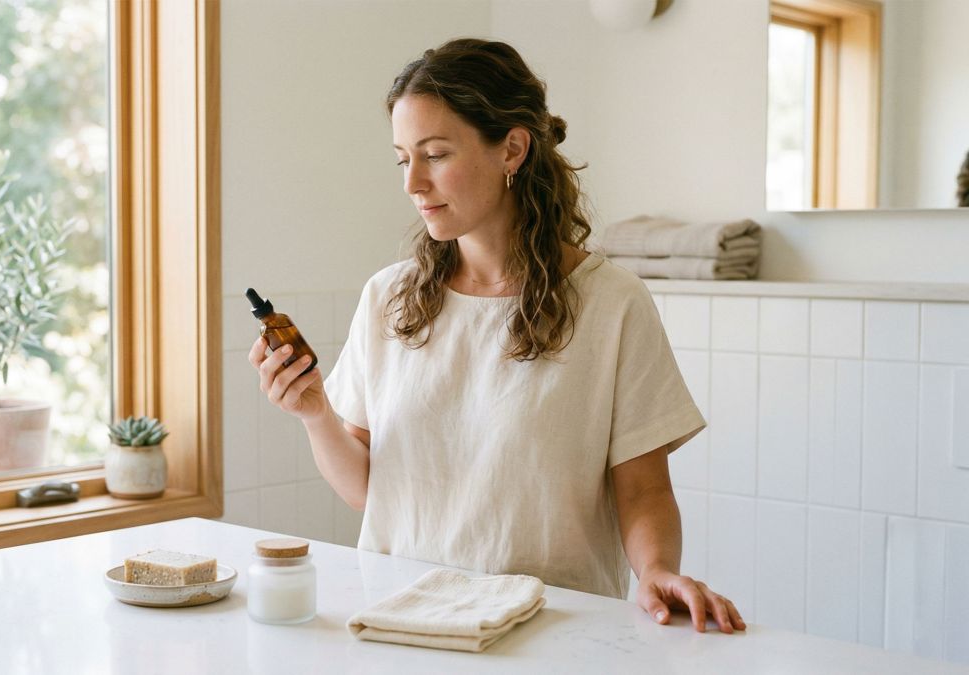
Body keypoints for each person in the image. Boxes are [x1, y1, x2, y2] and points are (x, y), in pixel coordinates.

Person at [248, 38, 745, 634]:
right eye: (403, 158)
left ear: (511, 148)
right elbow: (368, 492)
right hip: (401, 623)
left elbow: (642, 490)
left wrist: (657, 570)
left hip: (553, 631)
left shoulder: (611, 304)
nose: (413, 182)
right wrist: (315, 414)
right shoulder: (389, 298)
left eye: (434, 154)